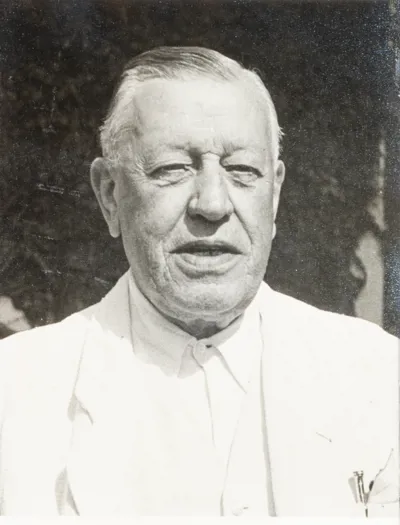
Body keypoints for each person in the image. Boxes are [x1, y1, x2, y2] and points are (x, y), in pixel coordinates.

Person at [0, 47, 398, 517]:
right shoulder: (16, 391)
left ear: (273, 196)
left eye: (242, 171)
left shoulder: (379, 378)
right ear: (110, 195)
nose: (212, 204)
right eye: (172, 169)